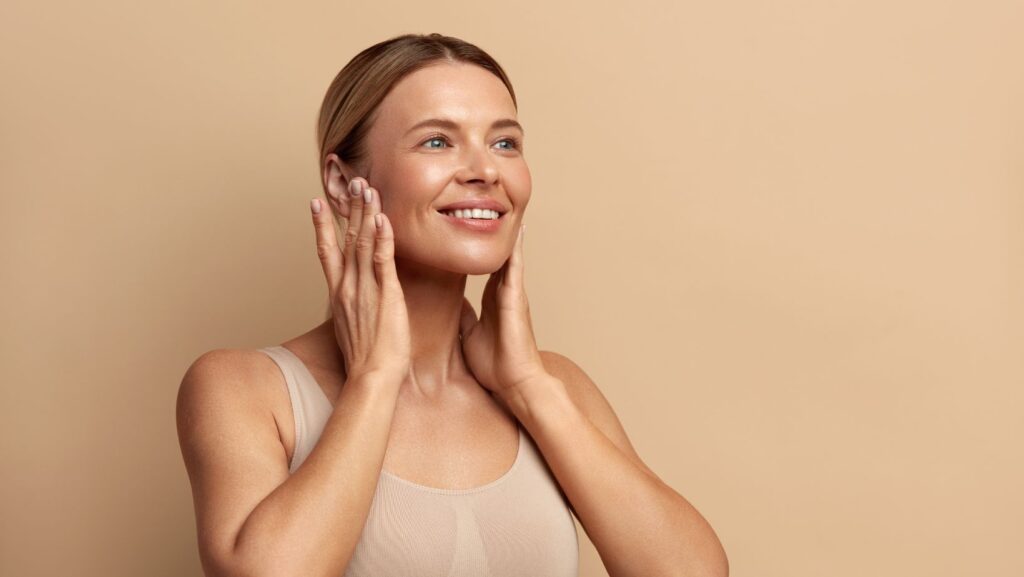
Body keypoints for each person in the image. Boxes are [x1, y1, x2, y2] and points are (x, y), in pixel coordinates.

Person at [176, 33, 728, 577]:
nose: (486, 170)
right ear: (344, 182)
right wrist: (374, 377)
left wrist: (528, 389)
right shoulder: (245, 389)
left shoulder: (555, 386)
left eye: (505, 143)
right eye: (437, 141)